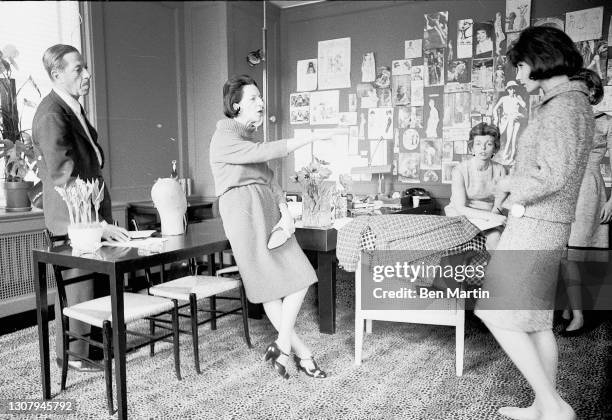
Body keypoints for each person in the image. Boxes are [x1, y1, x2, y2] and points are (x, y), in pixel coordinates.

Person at [475, 27, 593, 420]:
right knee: (536, 320)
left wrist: (507, 183)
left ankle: (555, 408)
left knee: (495, 311)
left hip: (539, 223)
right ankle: (545, 405)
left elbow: (553, 176)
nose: (519, 75)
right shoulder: (563, 101)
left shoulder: (563, 106)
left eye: (522, 65)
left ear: (541, 60)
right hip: (542, 221)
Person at [209, 74, 330, 379]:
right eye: (254, 99)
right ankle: (301, 353)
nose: (261, 103)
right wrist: (309, 137)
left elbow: (270, 178)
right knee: (268, 288)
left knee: (301, 275)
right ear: (236, 105)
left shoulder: (247, 137)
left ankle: (282, 345)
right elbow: (263, 155)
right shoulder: (224, 137)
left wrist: (285, 211)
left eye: (260, 97)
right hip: (241, 212)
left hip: (266, 208)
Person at [32, 44, 129, 371]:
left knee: (95, 288)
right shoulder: (51, 113)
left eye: (86, 67)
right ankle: (74, 356)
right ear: (57, 74)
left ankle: (96, 351)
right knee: (79, 292)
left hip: (91, 217)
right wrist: (99, 226)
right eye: (78, 70)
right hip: (74, 221)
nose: (87, 75)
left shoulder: (72, 107)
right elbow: (64, 176)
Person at [561, 69, 610, 336]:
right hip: (563, 190)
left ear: (593, 92)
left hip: (589, 191)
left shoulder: (607, 122)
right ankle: (571, 307)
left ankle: (577, 315)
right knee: (565, 255)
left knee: (576, 256)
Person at [445, 123, 507, 250]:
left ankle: (497, 270)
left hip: (489, 217)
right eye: (478, 144)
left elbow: (499, 204)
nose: (483, 148)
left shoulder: (500, 170)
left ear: (495, 148)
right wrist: (491, 217)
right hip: (461, 217)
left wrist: (492, 219)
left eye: (489, 144)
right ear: (472, 148)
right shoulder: (460, 170)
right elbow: (460, 208)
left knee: (495, 239)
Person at [493, 80, 526, 164]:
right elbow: (495, 109)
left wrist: (518, 99)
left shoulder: (518, 97)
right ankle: (505, 155)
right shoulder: (504, 98)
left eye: (514, 88)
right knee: (509, 138)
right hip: (507, 120)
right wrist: (496, 119)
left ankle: (512, 157)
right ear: (507, 90)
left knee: (514, 139)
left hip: (517, 119)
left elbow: (524, 105)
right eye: (510, 89)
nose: (512, 91)